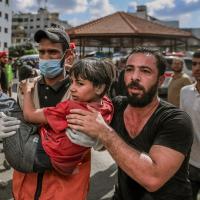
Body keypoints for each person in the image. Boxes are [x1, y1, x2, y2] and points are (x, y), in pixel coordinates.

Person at [66, 47, 194, 200]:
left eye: (145, 71)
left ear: (160, 80)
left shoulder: (175, 120)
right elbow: (85, 98)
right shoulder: (117, 106)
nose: (135, 77)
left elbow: (153, 179)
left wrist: (104, 133)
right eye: (129, 69)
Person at [2, 26, 93, 200]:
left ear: (68, 56)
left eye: (52, 52)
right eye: (42, 52)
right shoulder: (26, 88)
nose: (45, 58)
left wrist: (99, 136)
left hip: (65, 191)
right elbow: (17, 124)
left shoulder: (84, 93)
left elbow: (100, 140)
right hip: (25, 188)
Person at [20, 58, 113, 175]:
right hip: (70, 163)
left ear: (99, 87)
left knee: (15, 119)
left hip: (42, 155)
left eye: (80, 83)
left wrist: (27, 90)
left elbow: (29, 115)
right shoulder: (107, 106)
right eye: (72, 81)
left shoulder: (69, 108)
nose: (72, 88)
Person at [180, 50, 200, 200]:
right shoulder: (185, 92)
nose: (197, 68)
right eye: (194, 64)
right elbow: (183, 124)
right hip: (190, 162)